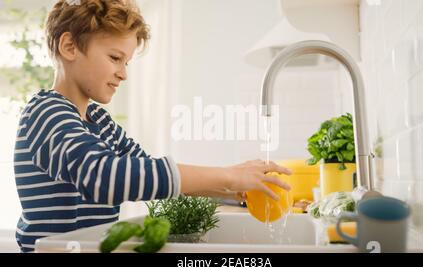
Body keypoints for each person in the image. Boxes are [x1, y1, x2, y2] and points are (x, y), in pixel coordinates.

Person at [14, 0, 291, 252]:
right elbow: (103, 177)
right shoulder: (46, 112)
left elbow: (147, 171)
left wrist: (237, 189)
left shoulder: (99, 122)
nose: (123, 73)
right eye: (114, 58)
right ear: (69, 47)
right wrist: (227, 176)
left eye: (127, 62)